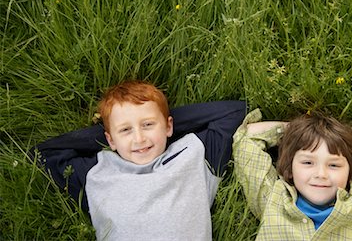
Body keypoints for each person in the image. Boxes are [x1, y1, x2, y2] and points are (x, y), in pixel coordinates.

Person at [33, 80, 246, 240]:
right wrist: (111, 134)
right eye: (126, 130)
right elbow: (45, 152)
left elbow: (235, 111)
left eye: (148, 125)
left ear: (169, 126)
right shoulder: (97, 172)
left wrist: (162, 122)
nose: (139, 138)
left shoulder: (194, 153)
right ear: (109, 138)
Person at [233, 109, 352, 240]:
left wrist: (348, 150)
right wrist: (296, 134)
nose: (321, 174)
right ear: (290, 168)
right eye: (308, 162)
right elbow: (247, 139)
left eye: (334, 165)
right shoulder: (273, 198)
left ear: (349, 171)